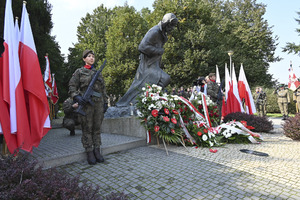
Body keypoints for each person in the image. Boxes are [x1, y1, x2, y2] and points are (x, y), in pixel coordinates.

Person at [116, 13, 178, 107]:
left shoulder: (162, 33)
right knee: (163, 79)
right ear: (166, 23)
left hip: (154, 64)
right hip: (147, 65)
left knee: (156, 83)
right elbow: (142, 47)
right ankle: (142, 101)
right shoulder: (154, 31)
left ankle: (149, 101)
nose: (171, 28)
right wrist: (158, 51)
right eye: (171, 26)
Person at [68, 50, 108, 165]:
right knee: (87, 128)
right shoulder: (79, 72)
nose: (91, 58)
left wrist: (105, 102)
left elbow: (103, 89)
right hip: (87, 105)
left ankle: (97, 150)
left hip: (98, 104)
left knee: (97, 128)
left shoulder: (97, 72)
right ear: (84, 59)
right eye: (89, 56)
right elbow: (72, 87)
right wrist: (77, 97)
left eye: (93, 56)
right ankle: (89, 151)